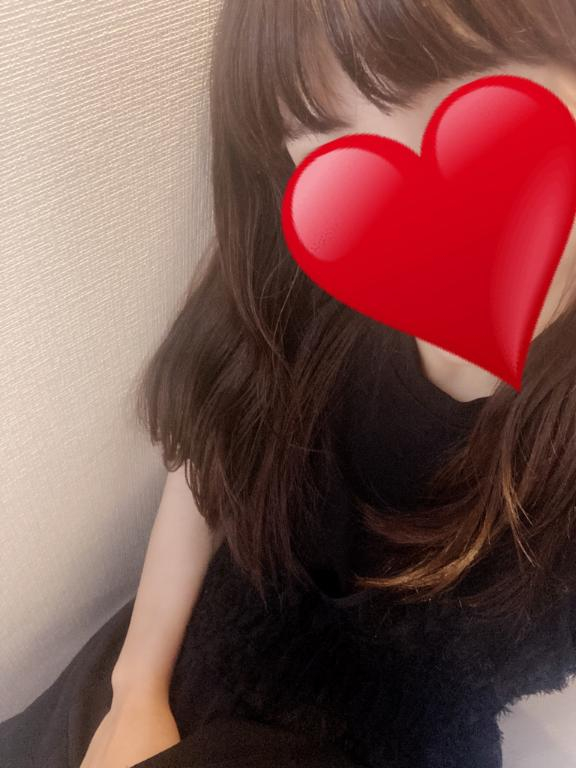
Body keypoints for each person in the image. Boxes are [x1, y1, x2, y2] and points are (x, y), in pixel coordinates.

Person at [2, 1, 576, 766]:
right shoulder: (298, 271)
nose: (403, 178)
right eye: (326, 131)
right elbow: (212, 450)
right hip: (188, 644)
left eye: (453, 84)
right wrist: (135, 686)